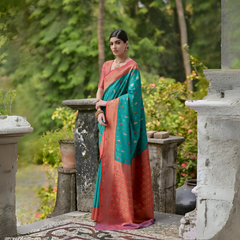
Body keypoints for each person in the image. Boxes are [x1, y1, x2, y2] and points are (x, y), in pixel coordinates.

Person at [91, 29, 155, 230]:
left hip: (122, 124)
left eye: (118, 42)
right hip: (106, 122)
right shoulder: (106, 66)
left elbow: (134, 99)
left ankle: (124, 212)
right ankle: (104, 212)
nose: (114, 47)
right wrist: (99, 110)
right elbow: (100, 90)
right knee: (106, 163)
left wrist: (108, 105)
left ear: (127, 44)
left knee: (120, 165)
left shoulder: (132, 68)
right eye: (111, 43)